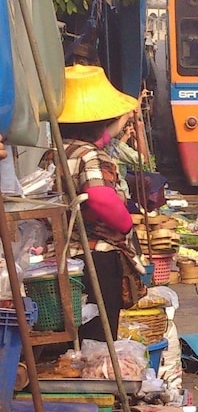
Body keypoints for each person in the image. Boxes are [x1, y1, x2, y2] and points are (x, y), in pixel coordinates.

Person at [47, 65, 143, 341]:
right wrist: (125, 225)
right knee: (99, 335)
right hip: (94, 257)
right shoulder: (91, 155)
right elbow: (100, 198)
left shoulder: (56, 150)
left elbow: (101, 140)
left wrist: (123, 120)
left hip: (62, 255)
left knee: (73, 331)